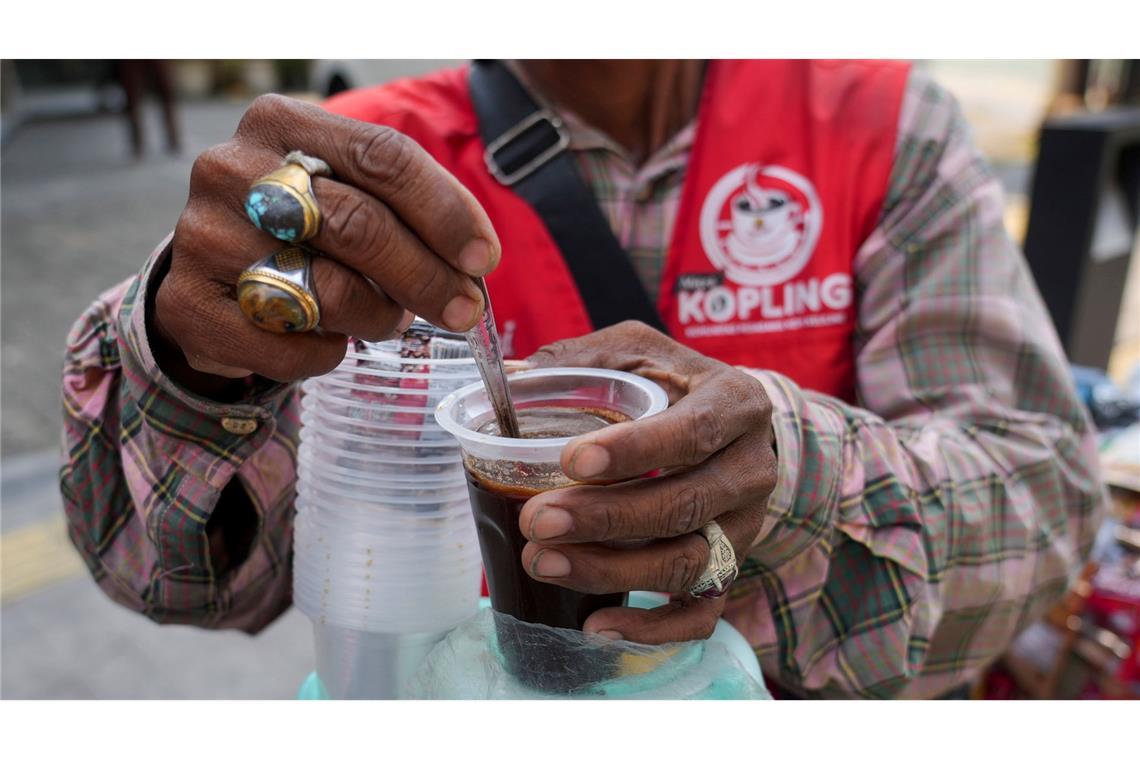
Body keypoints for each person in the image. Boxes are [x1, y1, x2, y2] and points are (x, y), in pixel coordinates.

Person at [61, 59, 1107, 698]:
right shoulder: (353, 176)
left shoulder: (883, 129)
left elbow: (1052, 501)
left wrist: (795, 477)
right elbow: (175, 576)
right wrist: (191, 354)